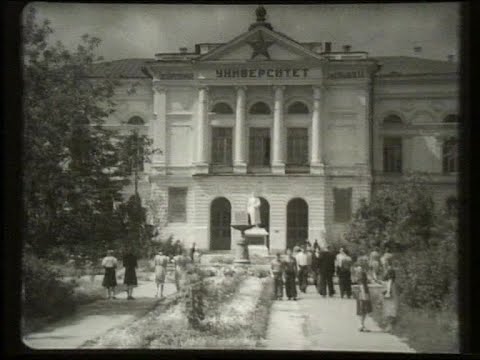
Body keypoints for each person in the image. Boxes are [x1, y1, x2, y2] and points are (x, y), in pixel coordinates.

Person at [356, 258, 373, 332]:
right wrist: (364, 294)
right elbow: (362, 284)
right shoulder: (362, 272)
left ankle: (361, 325)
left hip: (361, 291)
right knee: (363, 308)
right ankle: (361, 325)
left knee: (361, 308)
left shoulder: (359, 271)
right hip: (363, 291)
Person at [382, 258, 399, 332]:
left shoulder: (390, 270)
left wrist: (388, 292)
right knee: (389, 307)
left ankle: (390, 326)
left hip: (390, 289)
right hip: (390, 288)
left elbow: (390, 281)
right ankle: (389, 326)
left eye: (384, 262)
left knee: (390, 307)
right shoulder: (388, 270)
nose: (383, 264)